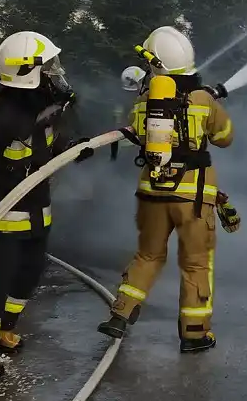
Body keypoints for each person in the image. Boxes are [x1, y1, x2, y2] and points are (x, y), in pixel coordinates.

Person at [0, 31, 94, 377]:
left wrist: (77, 148)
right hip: (4, 216)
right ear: (27, 71)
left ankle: (5, 329)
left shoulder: (43, 111)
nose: (55, 73)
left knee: (28, 275)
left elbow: (50, 147)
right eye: (48, 67)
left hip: (36, 213)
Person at [97, 26, 234, 353]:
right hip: (193, 199)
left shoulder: (145, 102)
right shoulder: (203, 100)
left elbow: (140, 137)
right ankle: (195, 333)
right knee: (196, 262)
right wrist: (209, 107)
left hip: (152, 193)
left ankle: (120, 315)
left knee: (148, 255)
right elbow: (225, 137)